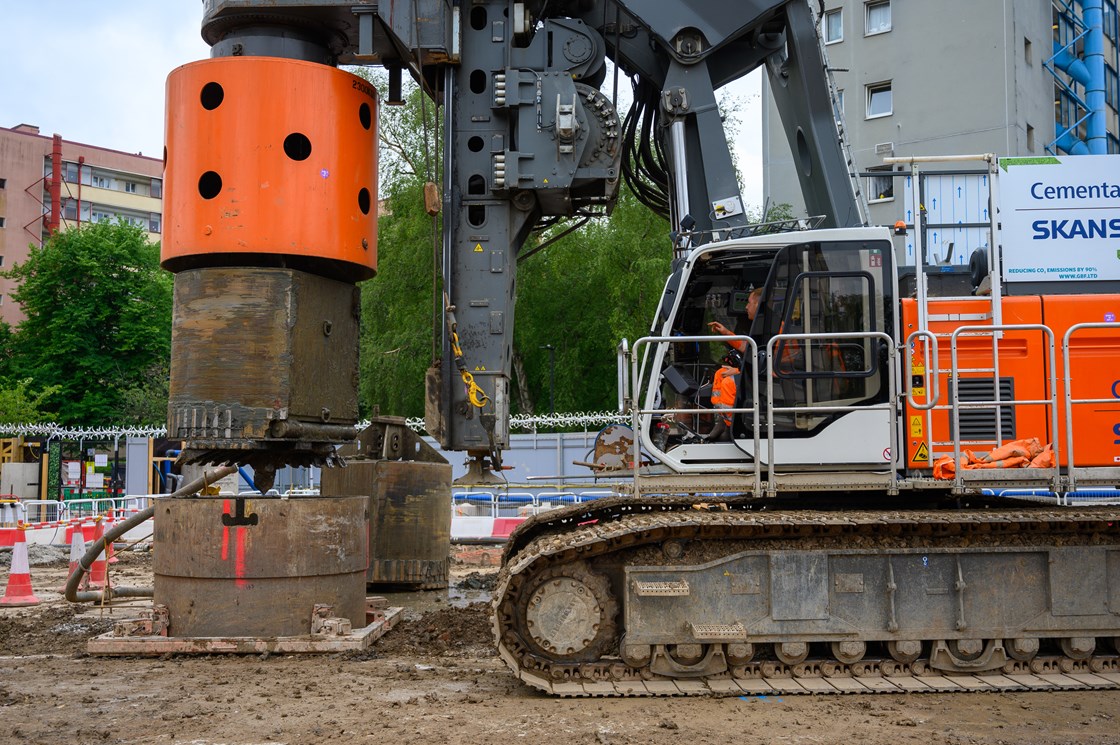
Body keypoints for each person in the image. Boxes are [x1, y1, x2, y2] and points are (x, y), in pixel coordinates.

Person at [707, 287, 762, 352]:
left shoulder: (770, 327)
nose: (746, 307)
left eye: (749, 302)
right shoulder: (760, 325)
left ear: (758, 305)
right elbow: (747, 348)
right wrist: (726, 332)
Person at [706, 348, 742, 441]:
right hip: (725, 417)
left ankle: (728, 426)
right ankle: (723, 421)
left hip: (735, 421)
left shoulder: (730, 381)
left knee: (728, 381)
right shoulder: (720, 374)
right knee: (720, 373)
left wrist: (738, 371)